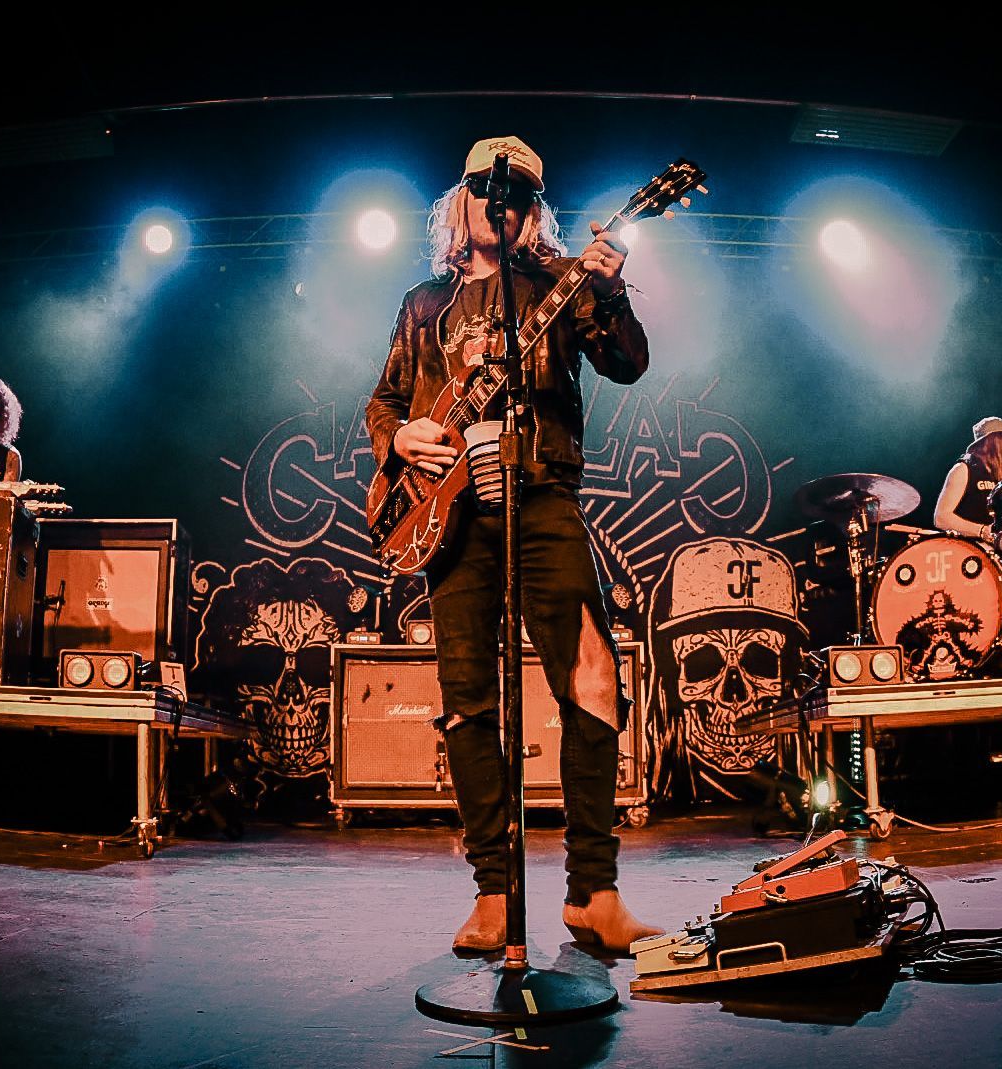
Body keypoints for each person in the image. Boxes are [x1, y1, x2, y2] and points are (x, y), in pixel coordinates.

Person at [365, 135, 662, 954]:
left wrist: (611, 293)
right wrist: (404, 436)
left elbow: (628, 364)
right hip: (450, 517)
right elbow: (383, 400)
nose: (503, 202)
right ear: (459, 201)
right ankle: (493, 893)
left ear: (534, 208)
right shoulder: (423, 303)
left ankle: (592, 893)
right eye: (487, 189)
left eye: (521, 192)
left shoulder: (557, 286)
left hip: (541, 499)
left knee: (593, 678)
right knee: (468, 699)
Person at [932, 415, 1002, 544]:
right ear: (995, 443)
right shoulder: (963, 469)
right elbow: (941, 517)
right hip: (969, 551)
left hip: (1001, 551)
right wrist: (981, 530)